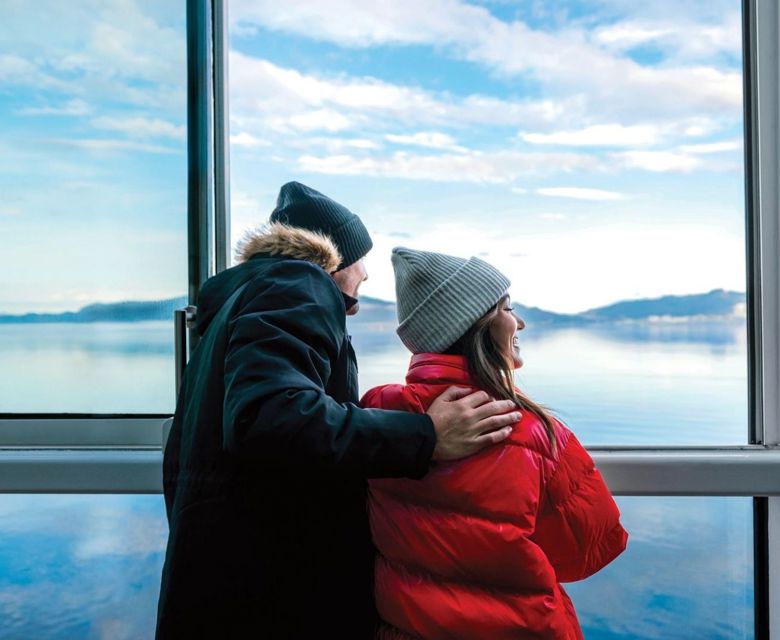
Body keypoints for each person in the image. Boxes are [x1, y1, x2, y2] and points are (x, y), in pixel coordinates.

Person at [156, 183, 521, 639]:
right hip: (271, 598)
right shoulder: (295, 284)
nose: (365, 279)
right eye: (362, 260)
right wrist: (425, 435)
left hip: (226, 586)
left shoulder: (238, 306)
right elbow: (270, 418)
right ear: (336, 257)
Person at [363, 247, 628, 640]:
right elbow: (593, 548)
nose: (519, 322)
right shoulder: (529, 429)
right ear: (476, 324)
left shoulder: (377, 410)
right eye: (506, 308)